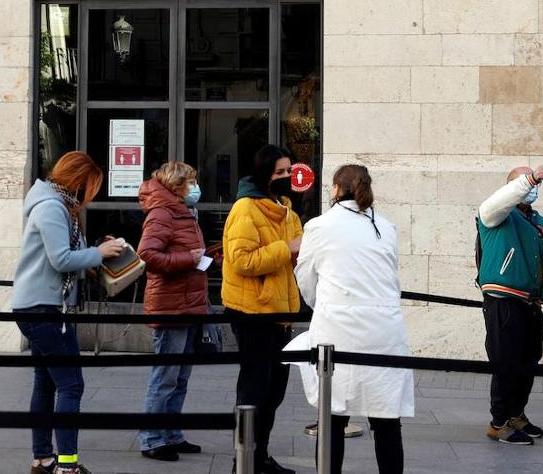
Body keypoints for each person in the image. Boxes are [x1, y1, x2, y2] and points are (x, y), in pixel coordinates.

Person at [290, 164, 412, 474]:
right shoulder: (386, 227)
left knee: (333, 418)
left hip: (337, 332)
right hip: (385, 332)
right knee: (386, 421)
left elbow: (305, 279)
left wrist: (327, 305)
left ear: (334, 189)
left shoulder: (319, 226)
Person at [13, 152, 124, 474]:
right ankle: (67, 465)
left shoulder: (53, 204)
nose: (91, 195)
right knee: (71, 385)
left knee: (46, 383)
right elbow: (61, 259)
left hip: (41, 305)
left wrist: (97, 253)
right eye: (91, 187)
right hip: (43, 308)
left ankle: (43, 459)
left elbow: (67, 255)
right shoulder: (51, 208)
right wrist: (98, 253)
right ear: (78, 181)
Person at [222, 144, 304, 474]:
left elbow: (298, 249)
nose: (286, 177)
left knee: (274, 392)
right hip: (252, 312)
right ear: (264, 174)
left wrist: (299, 250)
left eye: (289, 171)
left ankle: (260, 457)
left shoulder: (285, 207)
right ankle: (243, 460)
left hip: (280, 313)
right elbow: (241, 261)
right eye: (280, 172)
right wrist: (287, 248)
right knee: (254, 390)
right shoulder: (245, 209)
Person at [135, 161, 214, 462]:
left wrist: (204, 257)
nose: (195, 187)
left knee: (180, 376)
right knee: (165, 375)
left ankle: (171, 433)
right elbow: (148, 254)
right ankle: (153, 438)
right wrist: (187, 259)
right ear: (177, 185)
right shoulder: (162, 213)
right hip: (171, 305)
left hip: (188, 302)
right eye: (191, 182)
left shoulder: (183, 211)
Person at [476, 164, 543, 445]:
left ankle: (516, 413)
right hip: (503, 299)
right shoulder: (494, 211)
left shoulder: (537, 220)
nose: (531, 188)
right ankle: (499, 422)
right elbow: (499, 201)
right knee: (505, 362)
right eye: (523, 183)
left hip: (530, 301)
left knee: (528, 360)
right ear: (510, 187)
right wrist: (530, 178)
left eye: (533, 184)